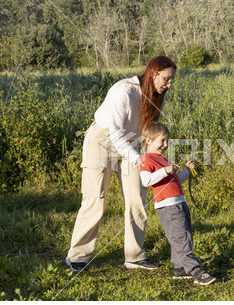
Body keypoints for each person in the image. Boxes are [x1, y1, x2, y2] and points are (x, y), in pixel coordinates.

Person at [65, 56, 177, 272]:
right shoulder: (124, 91)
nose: (169, 84)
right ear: (154, 73)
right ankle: (78, 256)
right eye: (166, 79)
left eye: (171, 80)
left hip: (130, 144)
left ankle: (134, 257)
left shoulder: (155, 96)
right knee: (95, 199)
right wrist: (138, 159)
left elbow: (148, 133)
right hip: (102, 141)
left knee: (137, 196)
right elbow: (115, 133)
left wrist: (152, 158)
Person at [139, 122, 217, 286]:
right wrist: (165, 170)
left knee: (183, 234)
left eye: (167, 141)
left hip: (178, 202)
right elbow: (146, 181)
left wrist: (186, 172)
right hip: (167, 206)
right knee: (181, 238)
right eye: (162, 141)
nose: (165, 145)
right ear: (148, 141)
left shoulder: (162, 159)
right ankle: (195, 270)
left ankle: (180, 269)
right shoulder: (146, 159)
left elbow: (175, 182)